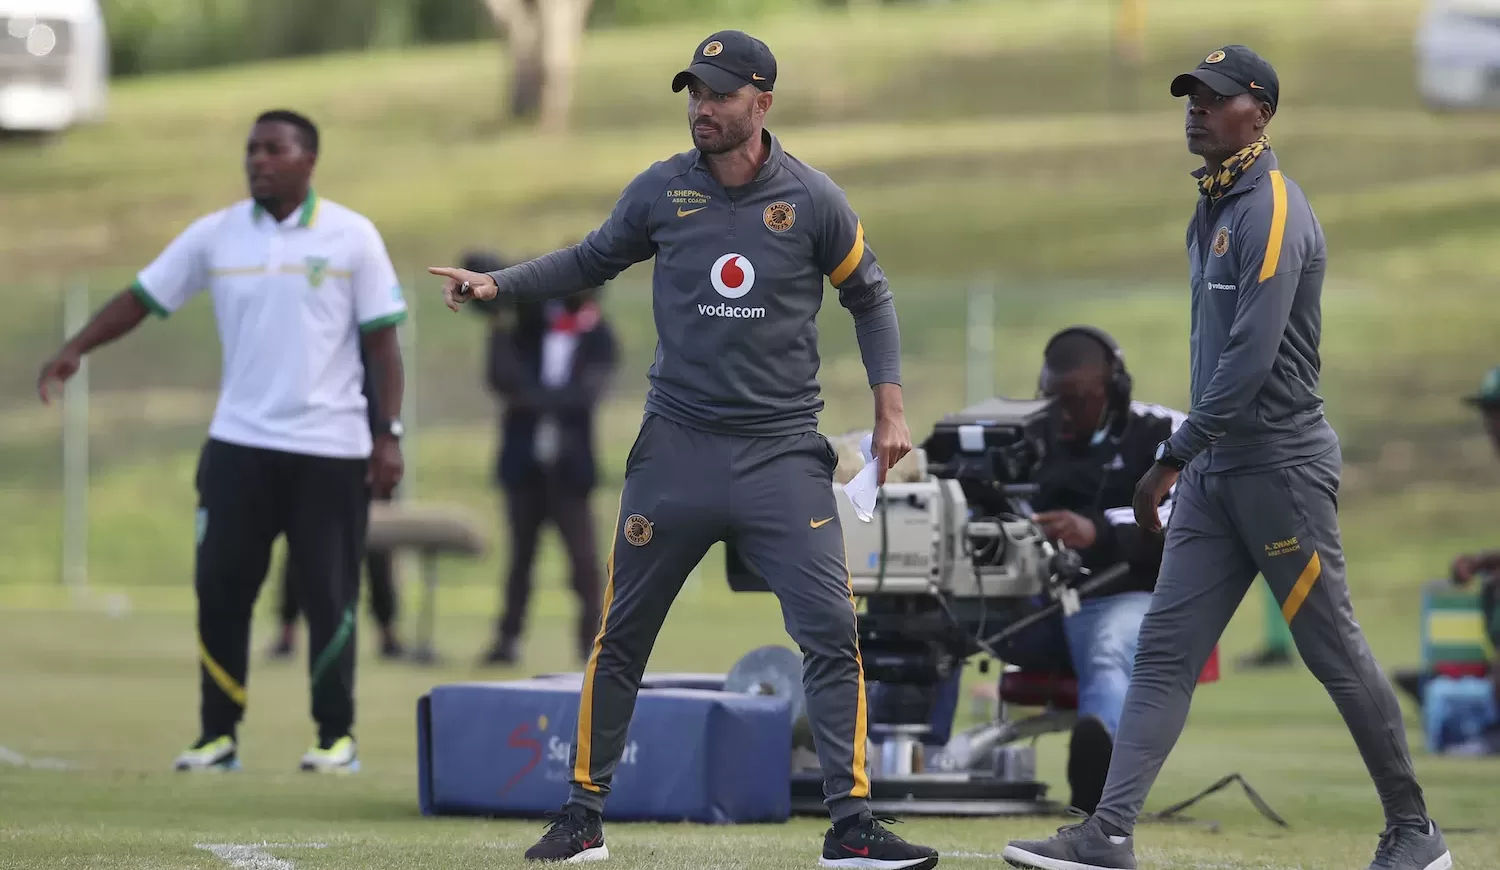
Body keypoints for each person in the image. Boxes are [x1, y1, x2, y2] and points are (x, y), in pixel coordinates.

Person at [429, 29, 939, 870]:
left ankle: (851, 827)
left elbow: (870, 296)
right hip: (676, 452)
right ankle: (583, 818)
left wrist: (890, 407)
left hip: (782, 457)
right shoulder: (662, 190)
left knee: (830, 633)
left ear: (761, 103)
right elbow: (591, 259)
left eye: (719, 94)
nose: (702, 107)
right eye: (694, 92)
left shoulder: (812, 199)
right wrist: (499, 284)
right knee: (621, 635)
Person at [1004, 46, 1452, 870]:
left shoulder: (1272, 207)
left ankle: (1415, 831)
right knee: (1164, 653)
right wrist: (1195, 459)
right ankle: (1108, 832)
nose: (1197, 109)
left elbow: (1250, 357)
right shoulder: (1212, 205)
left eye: (1214, 98)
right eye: (1191, 97)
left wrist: (1171, 455)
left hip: (1280, 474)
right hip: (1217, 474)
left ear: (1261, 112)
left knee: (1334, 654)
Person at [37, 109, 407, 775]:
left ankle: (335, 737)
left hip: (330, 448)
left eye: (274, 149)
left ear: (308, 160)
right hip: (238, 445)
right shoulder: (217, 234)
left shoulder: (353, 237)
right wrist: (76, 348)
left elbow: (383, 344)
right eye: (251, 149)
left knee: (329, 595)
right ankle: (218, 735)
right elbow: (142, 297)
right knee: (220, 589)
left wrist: (388, 435)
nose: (258, 160)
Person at [998, 325, 1184, 815]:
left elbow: (1186, 514)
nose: (1062, 413)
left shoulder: (1164, 432)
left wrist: (1097, 531)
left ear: (1113, 390)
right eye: (1052, 398)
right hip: (1030, 599)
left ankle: (1096, 791)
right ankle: (889, 763)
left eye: (1075, 400)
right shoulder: (1028, 433)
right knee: (928, 622)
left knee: (1108, 648)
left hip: (1122, 597)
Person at [477, 281, 616, 667]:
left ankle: (592, 643)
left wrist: (532, 398)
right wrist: (497, 320)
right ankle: (507, 639)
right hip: (525, 463)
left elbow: (586, 395)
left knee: (584, 562)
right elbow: (501, 378)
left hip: (570, 469)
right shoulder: (530, 327)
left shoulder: (599, 337)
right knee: (520, 559)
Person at [269, 342, 406, 662]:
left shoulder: (371, 345)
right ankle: (288, 630)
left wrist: (384, 440)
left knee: (377, 546)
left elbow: (383, 387)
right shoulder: (317, 347)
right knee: (300, 542)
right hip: (317, 448)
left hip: (366, 450)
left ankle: (387, 630)